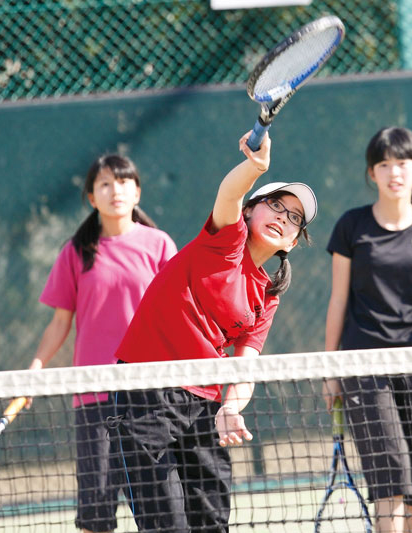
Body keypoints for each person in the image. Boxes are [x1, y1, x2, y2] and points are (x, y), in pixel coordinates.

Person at [110, 131, 317, 532]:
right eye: (275, 205)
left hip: (203, 407)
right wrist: (255, 167)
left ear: (292, 242)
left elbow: (244, 367)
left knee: (211, 523)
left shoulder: (267, 297)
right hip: (144, 392)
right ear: (251, 211)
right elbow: (229, 193)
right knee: (165, 524)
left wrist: (231, 407)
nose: (282, 217)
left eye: (294, 218)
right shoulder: (226, 240)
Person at [28, 154, 177, 533]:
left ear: (138, 191)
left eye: (124, 182)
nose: (116, 191)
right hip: (94, 396)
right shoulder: (76, 252)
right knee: (96, 514)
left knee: (160, 509)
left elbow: (179, 315)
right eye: (105, 184)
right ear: (92, 197)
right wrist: (36, 368)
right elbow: (60, 322)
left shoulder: (159, 245)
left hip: (149, 395)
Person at [323, 126, 412, 533]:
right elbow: (338, 299)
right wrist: (330, 370)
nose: (393, 172)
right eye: (383, 164)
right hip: (365, 367)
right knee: (390, 481)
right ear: (371, 173)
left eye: (402, 163)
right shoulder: (351, 226)